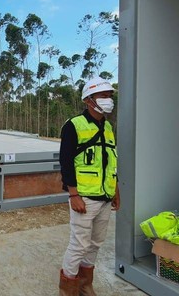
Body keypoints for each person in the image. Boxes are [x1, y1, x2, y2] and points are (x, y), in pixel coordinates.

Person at [58, 77, 121, 296]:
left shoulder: (108, 127)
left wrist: (116, 191)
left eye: (110, 96)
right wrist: (73, 194)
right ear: (88, 100)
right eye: (103, 96)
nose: (108, 100)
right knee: (78, 245)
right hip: (83, 198)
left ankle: (85, 286)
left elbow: (111, 161)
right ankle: (68, 290)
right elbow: (66, 162)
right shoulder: (73, 125)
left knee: (95, 244)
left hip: (105, 197)